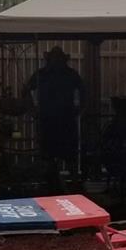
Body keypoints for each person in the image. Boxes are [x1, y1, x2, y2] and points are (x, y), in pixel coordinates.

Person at [23, 47, 85, 187]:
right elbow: (26, 90)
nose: (56, 62)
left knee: (70, 155)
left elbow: (84, 91)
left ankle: (74, 185)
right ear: (48, 60)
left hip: (66, 121)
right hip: (47, 121)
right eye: (54, 59)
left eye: (59, 59)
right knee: (48, 156)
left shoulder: (71, 74)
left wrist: (80, 109)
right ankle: (51, 184)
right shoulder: (41, 75)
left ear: (64, 60)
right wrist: (32, 110)